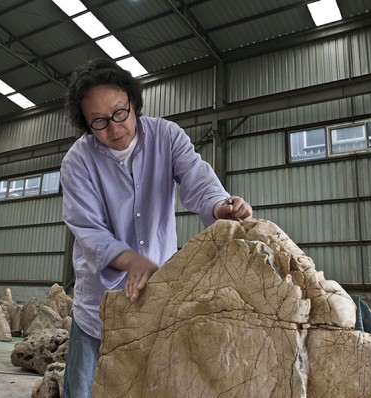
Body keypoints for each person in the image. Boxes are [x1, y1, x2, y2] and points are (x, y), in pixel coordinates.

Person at [60, 58, 253, 398]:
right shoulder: (78, 161)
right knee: (82, 390)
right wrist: (132, 260)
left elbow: (198, 181)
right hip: (97, 307)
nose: (115, 128)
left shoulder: (167, 136)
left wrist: (219, 207)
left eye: (120, 113)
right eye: (99, 122)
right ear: (86, 124)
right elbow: (88, 229)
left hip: (156, 300)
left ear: (134, 103)